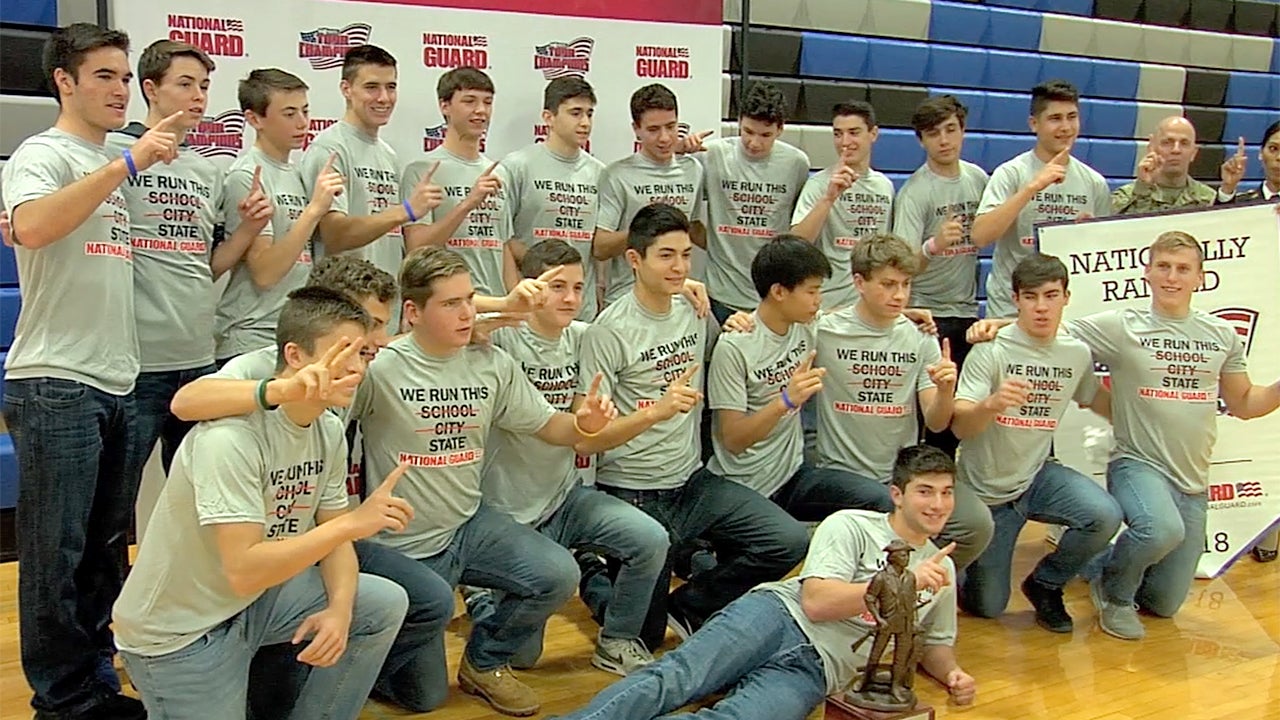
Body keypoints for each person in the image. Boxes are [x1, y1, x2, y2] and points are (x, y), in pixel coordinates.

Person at [111, 287, 409, 720]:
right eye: (342, 351)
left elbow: (332, 542)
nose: (355, 367)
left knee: (379, 604)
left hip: (253, 602)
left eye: (362, 353)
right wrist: (350, 525)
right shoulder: (230, 438)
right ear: (294, 356)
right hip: (181, 633)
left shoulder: (327, 430)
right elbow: (245, 567)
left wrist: (340, 612)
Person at [0, 23, 184, 719]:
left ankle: (93, 673)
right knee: (56, 552)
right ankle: (63, 699)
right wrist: (124, 166)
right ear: (64, 82)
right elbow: (34, 227)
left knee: (106, 547)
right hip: (57, 379)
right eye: (102, 75)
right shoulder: (43, 153)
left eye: (122, 74)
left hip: (117, 377)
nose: (118, 88)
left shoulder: (114, 159)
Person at [969, 231, 1280, 639]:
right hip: (1138, 461)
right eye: (1163, 267)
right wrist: (998, 324)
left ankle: (1102, 566)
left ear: (1200, 278)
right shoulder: (1120, 325)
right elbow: (1048, 323)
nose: (1172, 277)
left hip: (1193, 477)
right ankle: (1114, 595)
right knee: (1160, 531)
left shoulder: (1221, 335)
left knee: (1163, 604)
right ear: (1147, 273)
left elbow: (1243, 403)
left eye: (1183, 269)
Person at [349, 244, 617, 716]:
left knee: (557, 572)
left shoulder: (491, 363)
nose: (467, 313)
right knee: (424, 698)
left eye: (470, 299)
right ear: (411, 312)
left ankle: (484, 662)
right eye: (451, 304)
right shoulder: (382, 369)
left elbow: (548, 426)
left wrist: (583, 425)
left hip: (468, 525)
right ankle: (377, 654)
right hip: (405, 545)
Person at [548, 445, 975, 720]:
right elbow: (816, 602)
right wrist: (900, 583)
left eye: (946, 492)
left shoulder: (942, 568)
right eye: (925, 491)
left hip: (820, 669)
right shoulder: (851, 525)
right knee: (675, 678)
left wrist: (953, 673)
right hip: (776, 616)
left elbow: (934, 643)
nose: (937, 504)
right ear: (897, 494)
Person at [574, 204, 809, 648]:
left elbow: (736, 349)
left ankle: (688, 608)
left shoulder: (695, 307)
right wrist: (655, 412)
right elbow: (590, 436)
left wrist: (739, 320)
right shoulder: (609, 331)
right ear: (634, 260)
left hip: (692, 482)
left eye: (685, 254)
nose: (679, 266)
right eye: (666, 255)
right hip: (633, 489)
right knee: (641, 635)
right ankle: (594, 572)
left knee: (786, 540)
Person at [480, 239, 671, 676]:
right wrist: (507, 303)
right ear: (531, 287)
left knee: (650, 539)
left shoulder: (587, 336)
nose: (570, 298)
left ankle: (618, 640)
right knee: (521, 659)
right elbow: (450, 309)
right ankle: (481, 589)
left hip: (564, 496)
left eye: (578, 287)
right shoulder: (502, 334)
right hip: (506, 509)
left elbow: (646, 309)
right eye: (557, 286)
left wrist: (690, 287)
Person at [105, 39, 269, 475]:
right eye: (185, 84)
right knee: (116, 506)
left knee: (198, 491)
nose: (198, 96)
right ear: (150, 89)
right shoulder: (112, 154)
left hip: (198, 356)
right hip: (139, 361)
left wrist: (250, 229)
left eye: (204, 85)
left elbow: (208, 265)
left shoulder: (207, 169)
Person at [940, 254, 1121, 633]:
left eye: (1051, 295)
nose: (1041, 307)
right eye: (1031, 296)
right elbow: (959, 427)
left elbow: (1098, 400)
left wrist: (1146, 402)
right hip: (986, 492)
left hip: (1037, 477)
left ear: (1066, 297)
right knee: (988, 607)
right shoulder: (990, 349)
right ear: (1016, 299)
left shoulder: (1075, 352)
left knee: (1104, 515)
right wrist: (991, 404)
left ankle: (1046, 584)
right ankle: (956, 564)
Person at [708, 234, 897, 518]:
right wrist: (785, 400)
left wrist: (904, 314)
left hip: (792, 475)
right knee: (790, 542)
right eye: (811, 291)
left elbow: (850, 315)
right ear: (779, 292)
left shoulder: (806, 325)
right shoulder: (735, 345)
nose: (818, 301)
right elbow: (733, 440)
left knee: (881, 501)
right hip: (743, 485)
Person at [301, 45, 441, 320]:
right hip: (343, 312)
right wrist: (406, 211)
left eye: (391, 87)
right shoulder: (330, 149)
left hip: (384, 309)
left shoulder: (388, 154)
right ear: (346, 89)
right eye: (372, 87)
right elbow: (335, 236)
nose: (384, 97)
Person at [214, 68, 344, 362]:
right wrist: (313, 210)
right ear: (254, 119)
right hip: (251, 337)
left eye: (305, 111)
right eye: (289, 114)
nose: (302, 123)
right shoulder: (246, 176)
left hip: (289, 332)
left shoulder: (296, 174)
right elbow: (265, 273)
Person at [813, 234, 956, 500]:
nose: (900, 295)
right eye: (888, 285)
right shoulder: (824, 330)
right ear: (859, 282)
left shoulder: (921, 335)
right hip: (839, 472)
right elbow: (779, 321)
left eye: (906, 284)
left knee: (975, 523)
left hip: (901, 475)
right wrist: (742, 320)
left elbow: (936, 423)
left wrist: (946, 390)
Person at [892, 94, 989, 456]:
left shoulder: (978, 178)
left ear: (963, 132)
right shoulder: (916, 192)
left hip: (965, 311)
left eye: (951, 130)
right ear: (921, 140)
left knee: (957, 418)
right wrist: (933, 245)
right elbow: (902, 264)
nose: (944, 140)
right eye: (934, 134)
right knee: (930, 419)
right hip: (926, 315)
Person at [969, 80, 1110, 319]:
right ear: (1034, 124)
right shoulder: (1012, 173)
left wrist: (1087, 236)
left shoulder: (1094, 182)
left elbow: (1103, 257)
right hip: (1010, 310)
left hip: (1067, 312)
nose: (1066, 127)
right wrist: (1032, 187)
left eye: (1072, 117)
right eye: (1055, 118)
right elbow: (980, 236)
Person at [699, 81, 810, 322]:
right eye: (748, 132)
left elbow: (797, 226)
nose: (754, 142)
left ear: (780, 129)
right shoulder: (713, 154)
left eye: (765, 135)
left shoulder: (796, 163)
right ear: (739, 121)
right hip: (720, 293)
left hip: (772, 295)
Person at [497, 77, 606, 319]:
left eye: (589, 114)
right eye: (575, 113)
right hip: (533, 305)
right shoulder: (518, 166)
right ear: (549, 117)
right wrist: (537, 270)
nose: (585, 122)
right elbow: (502, 237)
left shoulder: (599, 173)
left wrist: (598, 293)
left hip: (581, 309)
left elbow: (598, 245)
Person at [594, 83, 708, 305]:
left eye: (671, 127)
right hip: (627, 298)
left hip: (677, 296)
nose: (665, 138)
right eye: (654, 130)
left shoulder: (693, 170)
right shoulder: (617, 175)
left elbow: (692, 227)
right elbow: (600, 248)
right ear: (636, 129)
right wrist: (649, 228)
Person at [400, 66, 511, 296]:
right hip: (447, 305)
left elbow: (504, 247)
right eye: (469, 101)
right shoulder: (422, 171)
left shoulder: (499, 173)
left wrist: (515, 302)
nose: (480, 111)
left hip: (497, 309)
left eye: (487, 102)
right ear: (445, 105)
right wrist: (467, 204)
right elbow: (416, 248)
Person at [790, 99, 894, 310]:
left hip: (870, 306)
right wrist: (828, 198)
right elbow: (795, 245)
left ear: (873, 134)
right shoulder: (818, 184)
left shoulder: (885, 186)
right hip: (828, 306)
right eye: (838, 134)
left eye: (854, 132)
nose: (845, 141)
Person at [1111, 116, 1234, 214]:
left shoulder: (1209, 200)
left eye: (1184, 143)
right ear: (1151, 148)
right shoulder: (1124, 197)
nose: (1176, 150)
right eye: (1167, 142)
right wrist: (1143, 189)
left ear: (1194, 153)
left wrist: (1227, 189)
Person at [1216, 120, 1280, 205]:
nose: (1279, 157)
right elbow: (1220, 218)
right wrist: (1227, 188)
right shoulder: (1241, 204)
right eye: (1273, 148)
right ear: (1261, 152)